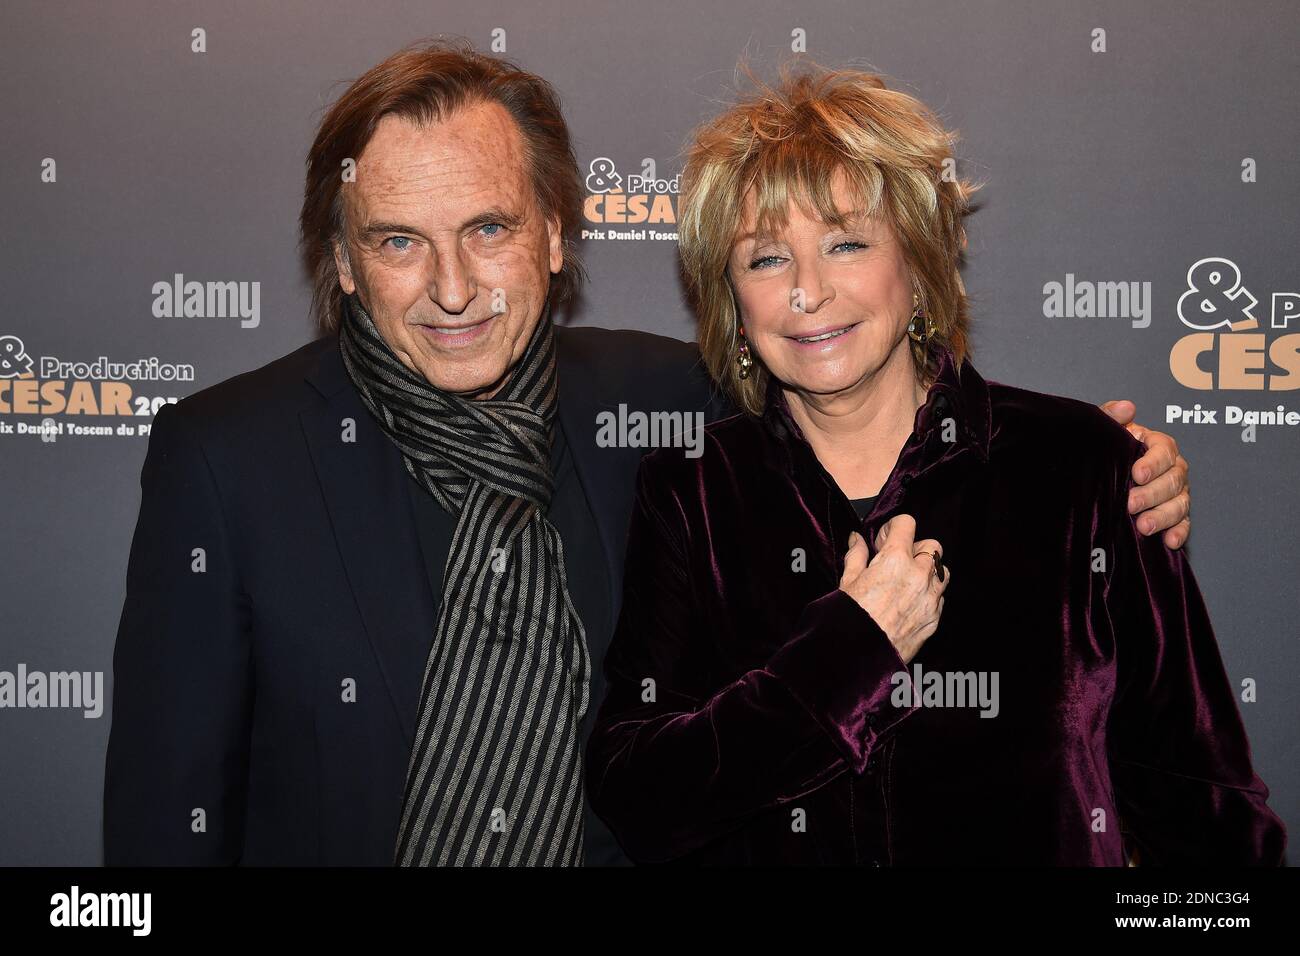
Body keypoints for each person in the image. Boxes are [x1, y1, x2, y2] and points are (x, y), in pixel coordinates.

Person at [103, 40, 1191, 867]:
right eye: (396, 242)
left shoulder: (671, 407)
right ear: (340, 262)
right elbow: (162, 825)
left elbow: (864, 393)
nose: (450, 286)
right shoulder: (224, 459)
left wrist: (1103, 470)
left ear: (555, 235)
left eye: (488, 228)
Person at [584, 62, 1284, 865]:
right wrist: (846, 654)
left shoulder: (1081, 468)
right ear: (731, 302)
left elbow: (1203, 807)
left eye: (846, 243)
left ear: (917, 268)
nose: (808, 291)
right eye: (766, 259)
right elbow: (637, 794)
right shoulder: (695, 491)